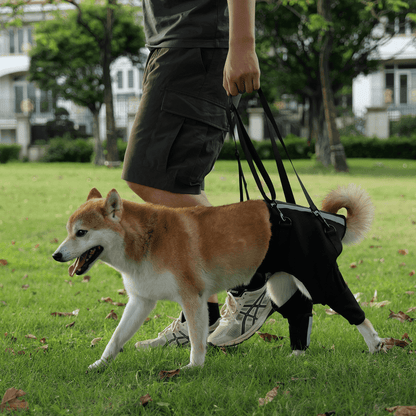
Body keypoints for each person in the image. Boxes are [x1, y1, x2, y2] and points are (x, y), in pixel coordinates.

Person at [121, 0, 313, 353]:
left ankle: (252, 280)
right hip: (173, 41)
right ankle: (201, 313)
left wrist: (242, 44)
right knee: (176, 181)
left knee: (154, 177)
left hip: (197, 43)